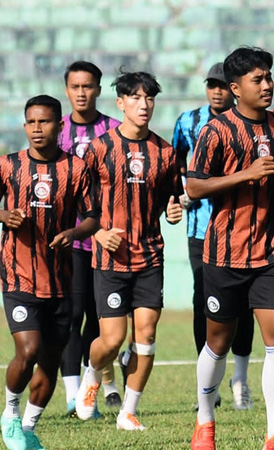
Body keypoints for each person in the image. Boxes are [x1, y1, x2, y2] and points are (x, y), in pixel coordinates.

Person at [186, 46, 274, 450]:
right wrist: (245, 174)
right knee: (218, 341)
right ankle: (205, 421)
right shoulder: (216, 130)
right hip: (224, 253)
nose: (268, 85)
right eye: (258, 80)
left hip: (271, 252)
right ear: (236, 88)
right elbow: (195, 185)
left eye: (268, 77)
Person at [75, 71, 184, 432]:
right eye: (136, 98)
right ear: (120, 103)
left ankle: (129, 411)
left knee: (147, 335)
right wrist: (100, 231)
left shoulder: (165, 152)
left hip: (150, 255)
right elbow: (75, 199)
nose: (144, 104)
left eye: (149, 98)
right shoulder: (99, 149)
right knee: (111, 339)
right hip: (110, 258)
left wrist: (172, 210)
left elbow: (172, 197)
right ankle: (92, 374)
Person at [1, 95, 97, 450]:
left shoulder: (76, 168)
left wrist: (74, 233)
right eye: (31, 122)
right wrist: (2, 215)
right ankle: (9, 415)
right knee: (28, 350)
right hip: (17, 275)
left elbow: (93, 217)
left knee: (50, 360)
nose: (37, 129)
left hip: (59, 279)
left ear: (59, 126)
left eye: (44, 122)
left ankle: (27, 427)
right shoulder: (8, 166)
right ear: (24, 126)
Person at [172, 62, 256, 411]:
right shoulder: (188, 122)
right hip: (199, 228)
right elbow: (175, 163)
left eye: (222, 84)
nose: (217, 90)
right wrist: (177, 196)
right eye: (212, 84)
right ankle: (209, 384)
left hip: (240, 228)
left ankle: (241, 379)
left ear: (234, 88)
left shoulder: (248, 123)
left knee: (246, 303)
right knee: (202, 303)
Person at [58, 60, 122, 416]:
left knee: (100, 319)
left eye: (88, 86)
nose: (81, 93)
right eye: (75, 87)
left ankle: (91, 386)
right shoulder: (56, 131)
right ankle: (72, 395)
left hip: (106, 241)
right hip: (72, 240)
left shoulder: (113, 131)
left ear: (99, 89)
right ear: (67, 90)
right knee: (72, 314)